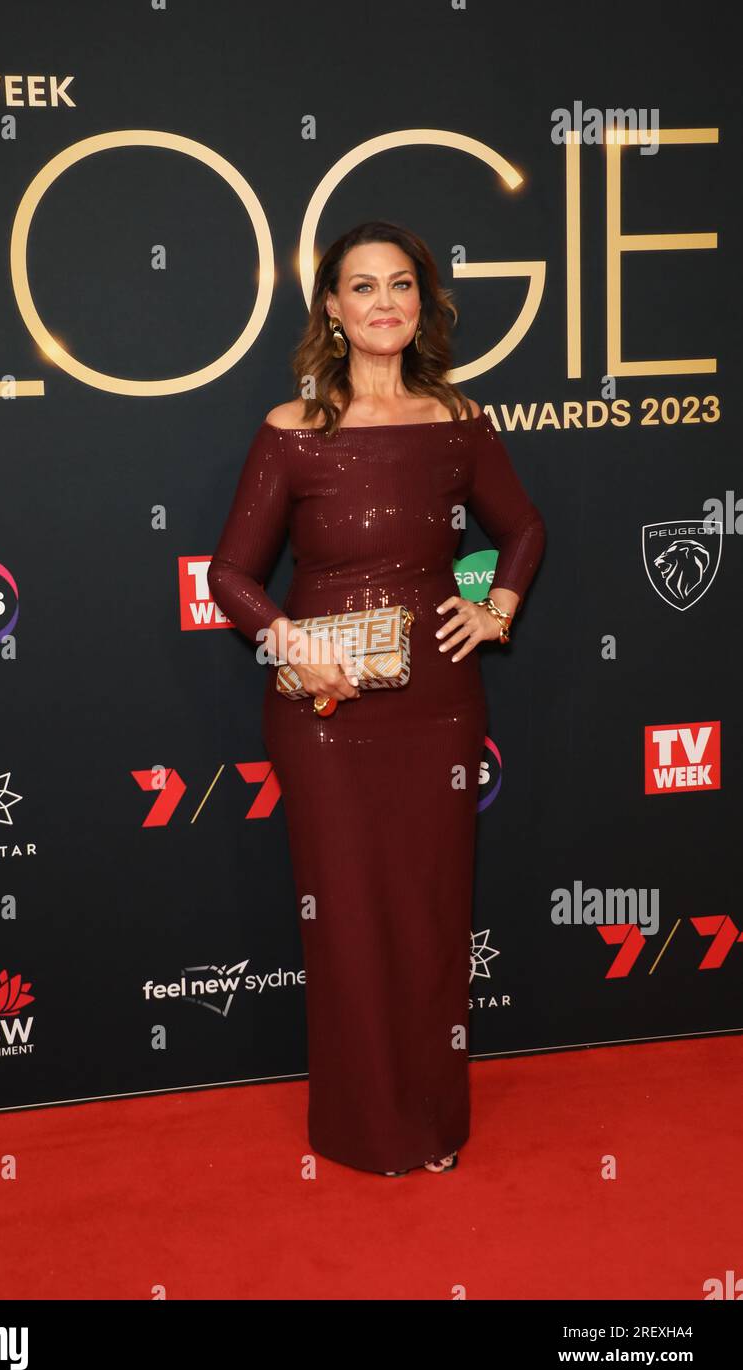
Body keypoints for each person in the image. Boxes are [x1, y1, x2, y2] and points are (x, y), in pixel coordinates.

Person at [207, 220, 545, 1176]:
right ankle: (364, 1130)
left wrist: (497, 608)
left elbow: (521, 527)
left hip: (438, 705)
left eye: (401, 285)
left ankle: (431, 1123)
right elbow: (231, 574)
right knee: (347, 916)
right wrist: (290, 644)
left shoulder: (458, 421)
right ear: (333, 309)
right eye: (363, 287)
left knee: (433, 913)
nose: (384, 302)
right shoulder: (292, 431)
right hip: (323, 716)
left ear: (422, 306)